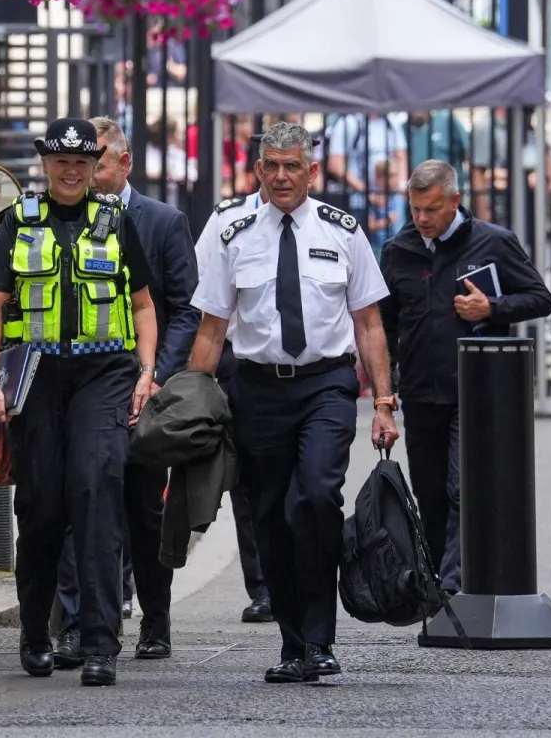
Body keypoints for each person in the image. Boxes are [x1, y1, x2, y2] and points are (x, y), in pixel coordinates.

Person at [187, 120, 398, 684]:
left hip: (326, 385)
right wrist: (188, 404)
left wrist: (383, 401)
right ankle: (292, 643)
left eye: (292, 166)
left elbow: (369, 322)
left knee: (316, 496)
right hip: (257, 389)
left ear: (310, 171)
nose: (282, 176)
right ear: (258, 169)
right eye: (271, 166)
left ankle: (321, 639)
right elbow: (211, 328)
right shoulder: (232, 230)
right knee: (272, 517)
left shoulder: (343, 231)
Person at [0, 117, 160, 687]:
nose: (73, 171)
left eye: (84, 162)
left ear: (95, 164)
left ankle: (102, 643)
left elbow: (146, 305)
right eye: (63, 162)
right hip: (35, 378)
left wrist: (147, 370)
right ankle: (36, 634)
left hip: (103, 374)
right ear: (45, 164)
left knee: (97, 493)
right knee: (41, 510)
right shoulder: (17, 223)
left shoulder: (115, 221)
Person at [52, 117, 198, 666]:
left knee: (142, 511)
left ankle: (155, 621)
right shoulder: (64, 220)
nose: (86, 174)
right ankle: (74, 626)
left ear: (122, 163)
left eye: (99, 164)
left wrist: (155, 371)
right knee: (79, 503)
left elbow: (184, 307)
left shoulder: (162, 221)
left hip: (144, 391)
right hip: (81, 388)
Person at [377, 160, 551, 594]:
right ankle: (440, 581)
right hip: (420, 392)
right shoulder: (399, 250)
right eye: (415, 208)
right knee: (431, 493)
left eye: (431, 209)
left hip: (474, 390)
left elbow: (539, 298)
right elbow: (385, 323)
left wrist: (492, 308)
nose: (421, 219)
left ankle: (455, 587)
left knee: (460, 489)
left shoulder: (493, 242)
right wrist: (387, 388)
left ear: (455, 201)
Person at [193, 180, 277, 625]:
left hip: (298, 369)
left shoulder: (324, 225)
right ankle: (262, 586)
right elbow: (200, 292)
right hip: (237, 363)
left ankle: (296, 579)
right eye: (272, 166)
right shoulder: (227, 219)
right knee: (247, 483)